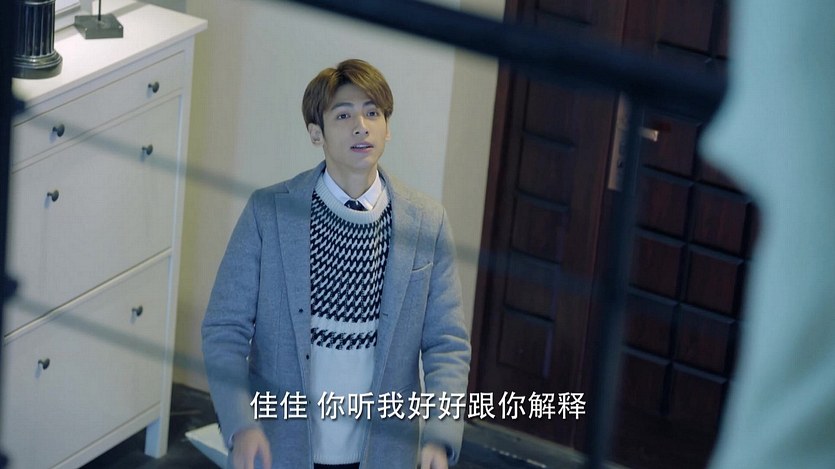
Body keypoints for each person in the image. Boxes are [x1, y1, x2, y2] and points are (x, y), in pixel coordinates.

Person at [202, 59, 471, 469]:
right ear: (316, 133)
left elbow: (447, 345)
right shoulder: (268, 213)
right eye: (343, 115)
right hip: (281, 446)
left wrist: (439, 435)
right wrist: (241, 424)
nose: (361, 126)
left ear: (387, 127)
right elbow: (225, 330)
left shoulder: (426, 223)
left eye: (372, 113)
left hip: (385, 452)